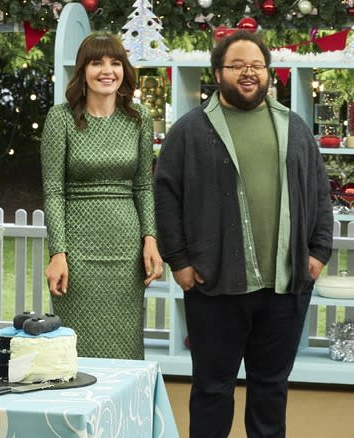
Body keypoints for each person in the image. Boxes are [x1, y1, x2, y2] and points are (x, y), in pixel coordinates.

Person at [153, 31, 333, 438]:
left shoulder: (295, 127)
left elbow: (320, 192)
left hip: (283, 287)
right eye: (237, 65)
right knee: (213, 390)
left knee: (271, 389)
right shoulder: (190, 130)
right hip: (214, 285)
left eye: (256, 65)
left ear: (268, 73)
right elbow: (165, 197)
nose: (248, 72)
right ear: (218, 73)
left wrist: (318, 252)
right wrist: (179, 261)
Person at [40, 32, 163, 360]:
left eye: (115, 62)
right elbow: (53, 192)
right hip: (76, 255)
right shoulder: (61, 118)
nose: (107, 70)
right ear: (83, 70)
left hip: (126, 254)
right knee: (76, 348)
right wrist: (58, 253)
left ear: (124, 69)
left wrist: (150, 240)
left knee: (125, 348)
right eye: (97, 62)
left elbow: (143, 186)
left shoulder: (139, 119)